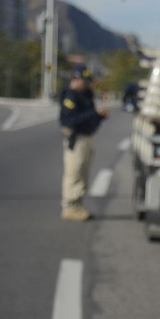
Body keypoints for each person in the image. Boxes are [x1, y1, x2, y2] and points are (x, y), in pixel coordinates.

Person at [59, 65, 109, 221]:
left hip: (87, 137)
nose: (87, 84)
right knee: (74, 172)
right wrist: (93, 113)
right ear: (75, 79)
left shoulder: (86, 94)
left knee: (83, 173)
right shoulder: (70, 96)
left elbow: (90, 118)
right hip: (76, 139)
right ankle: (69, 207)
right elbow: (69, 121)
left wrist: (99, 116)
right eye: (84, 81)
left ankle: (78, 205)